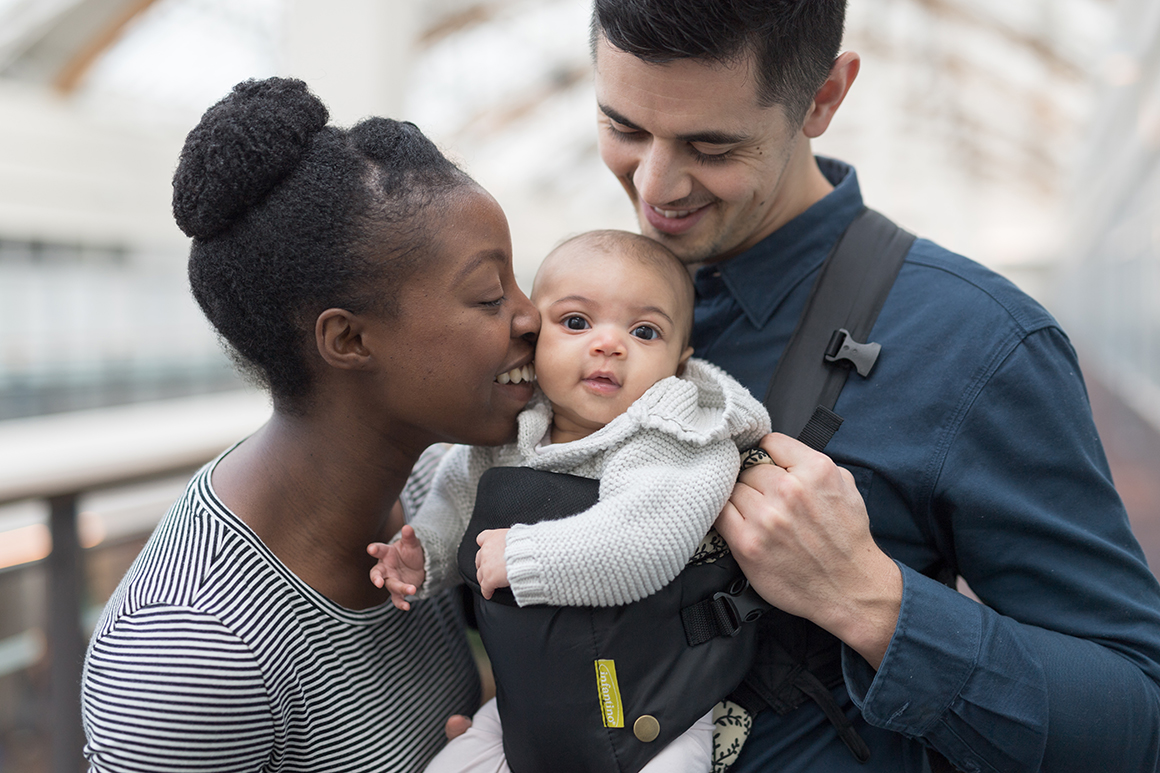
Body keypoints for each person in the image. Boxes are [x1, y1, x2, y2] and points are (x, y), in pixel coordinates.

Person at [588, 2, 1160, 771]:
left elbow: (1139, 713)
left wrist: (870, 600)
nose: (654, 183)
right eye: (623, 128)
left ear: (824, 97)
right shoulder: (574, 312)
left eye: (711, 144)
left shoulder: (978, 341)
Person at [80, 77, 541, 772]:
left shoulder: (430, 493)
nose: (531, 316)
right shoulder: (192, 650)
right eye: (488, 294)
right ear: (349, 341)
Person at [368, 230, 771, 773]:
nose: (608, 344)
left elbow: (646, 543)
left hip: (655, 702)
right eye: (576, 323)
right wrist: (428, 555)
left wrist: (528, 556)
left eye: (645, 331)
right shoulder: (514, 431)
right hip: (535, 698)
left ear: (679, 362)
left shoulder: (669, 437)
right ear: (535, 337)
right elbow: (457, 496)